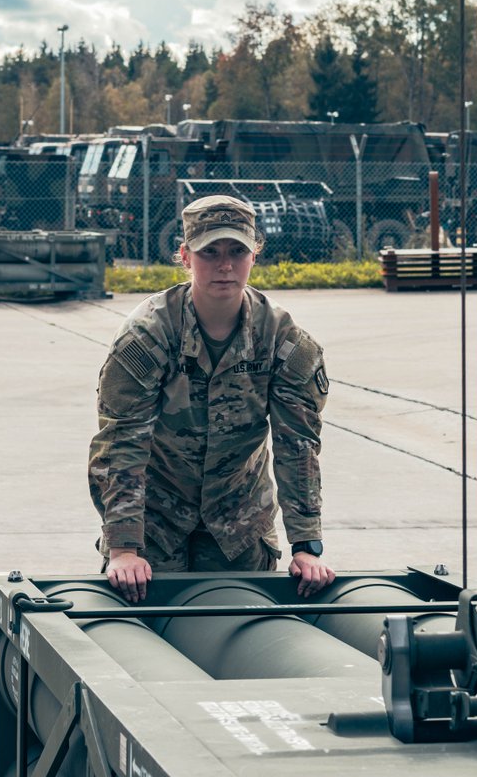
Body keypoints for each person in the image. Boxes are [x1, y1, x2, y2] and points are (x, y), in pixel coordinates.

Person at [89, 195, 335, 602]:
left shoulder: (284, 340)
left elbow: (298, 444)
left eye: (237, 251)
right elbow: (121, 444)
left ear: (255, 254)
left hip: (239, 523)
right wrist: (123, 549)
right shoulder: (147, 336)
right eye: (210, 252)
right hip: (155, 523)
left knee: (242, 637)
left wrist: (307, 546)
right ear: (185, 256)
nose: (225, 265)